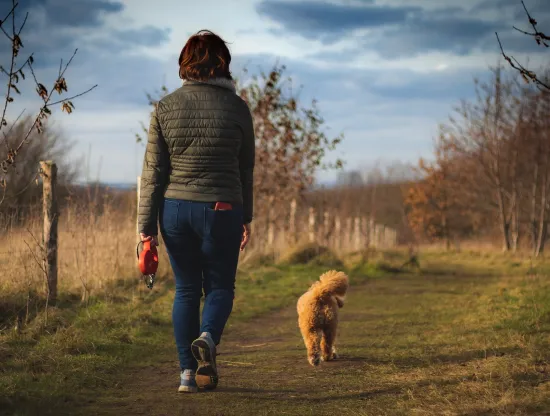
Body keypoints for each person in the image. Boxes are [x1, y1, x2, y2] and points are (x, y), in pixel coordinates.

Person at [137, 29, 255, 393]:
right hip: (222, 209)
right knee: (220, 286)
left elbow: (153, 172)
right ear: (223, 65)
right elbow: (245, 167)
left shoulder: (166, 107)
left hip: (174, 211)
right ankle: (207, 336)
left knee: (186, 290)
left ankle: (187, 375)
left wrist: (145, 228)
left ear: (186, 64)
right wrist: (246, 215)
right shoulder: (237, 108)